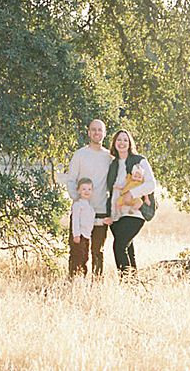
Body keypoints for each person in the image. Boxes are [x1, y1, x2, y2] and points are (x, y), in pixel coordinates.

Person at [60, 118, 113, 276]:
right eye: (93, 129)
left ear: (104, 133)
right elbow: (71, 180)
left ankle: (96, 285)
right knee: (77, 251)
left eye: (100, 130)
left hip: (101, 210)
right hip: (81, 212)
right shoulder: (80, 155)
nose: (97, 133)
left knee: (97, 251)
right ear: (88, 132)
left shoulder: (109, 157)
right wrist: (78, 200)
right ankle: (75, 282)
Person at [103, 128, 158, 276]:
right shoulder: (112, 164)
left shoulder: (139, 160)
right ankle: (133, 285)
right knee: (128, 249)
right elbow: (111, 191)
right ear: (114, 143)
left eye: (125, 140)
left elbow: (151, 184)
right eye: (119, 140)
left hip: (135, 212)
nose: (122, 143)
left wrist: (131, 193)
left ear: (130, 143)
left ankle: (126, 281)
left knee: (119, 246)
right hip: (117, 215)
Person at [67, 178, 97, 278]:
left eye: (89, 189)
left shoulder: (90, 207)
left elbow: (91, 221)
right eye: (83, 189)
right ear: (79, 191)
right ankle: (73, 276)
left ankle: (82, 277)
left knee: (85, 257)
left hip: (86, 236)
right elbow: (75, 220)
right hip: (78, 236)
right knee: (76, 257)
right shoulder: (78, 205)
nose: (86, 191)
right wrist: (76, 235)